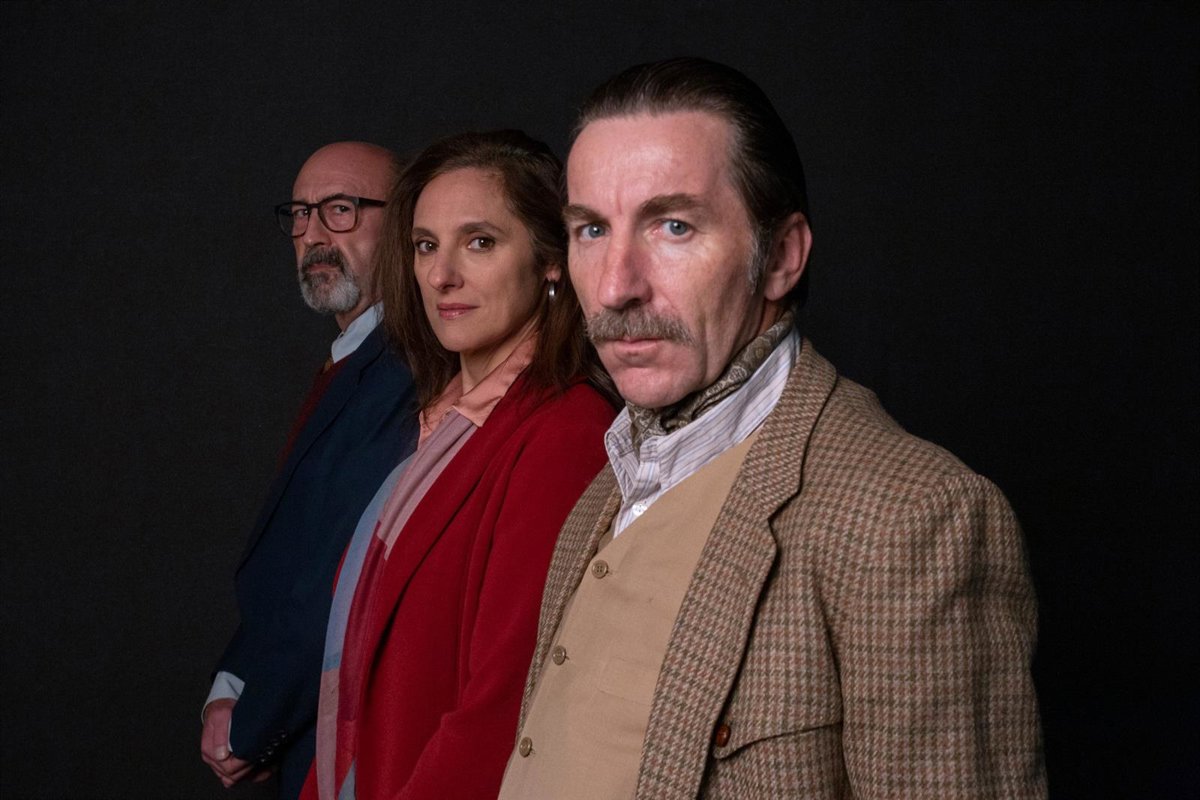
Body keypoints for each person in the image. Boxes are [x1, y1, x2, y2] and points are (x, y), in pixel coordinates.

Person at [499, 58, 1046, 798]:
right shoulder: (611, 485)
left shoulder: (913, 515)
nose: (616, 285)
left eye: (673, 226)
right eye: (591, 229)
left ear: (781, 256)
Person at [299, 130, 616, 800]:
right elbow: (357, 668)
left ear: (550, 260)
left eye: (479, 242)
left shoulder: (566, 434)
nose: (441, 275)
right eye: (425, 245)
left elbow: (500, 707)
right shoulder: (441, 424)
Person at [201, 142, 419, 799]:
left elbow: (338, 575)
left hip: (342, 747)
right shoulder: (351, 360)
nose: (314, 235)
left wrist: (252, 726)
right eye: (300, 214)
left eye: (340, 209)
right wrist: (230, 682)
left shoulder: (407, 368)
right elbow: (291, 557)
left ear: (404, 224)